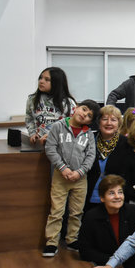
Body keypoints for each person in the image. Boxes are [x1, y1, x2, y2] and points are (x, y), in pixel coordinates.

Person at [42, 99, 100, 257]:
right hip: (60, 176)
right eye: (84, 109)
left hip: (80, 179)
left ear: (90, 121)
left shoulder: (89, 134)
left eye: (89, 115)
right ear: (76, 108)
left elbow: (90, 156)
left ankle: (72, 239)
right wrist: (63, 168)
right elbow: (50, 148)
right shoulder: (58, 126)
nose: (84, 115)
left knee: (76, 212)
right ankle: (52, 242)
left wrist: (80, 171)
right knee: (57, 211)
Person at [77, 174, 135, 268]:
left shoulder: (134, 212)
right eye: (111, 193)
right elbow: (85, 250)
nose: (117, 197)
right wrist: (113, 263)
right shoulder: (91, 216)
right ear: (102, 198)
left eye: (120, 192)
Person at [85, 105, 124, 211]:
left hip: (116, 199)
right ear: (99, 122)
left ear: (119, 124)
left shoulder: (126, 144)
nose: (109, 123)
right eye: (105, 119)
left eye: (113, 120)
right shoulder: (88, 139)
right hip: (88, 197)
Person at [25, 67, 75, 146]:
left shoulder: (68, 103)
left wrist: (56, 137)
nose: (41, 81)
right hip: (39, 144)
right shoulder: (32, 99)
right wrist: (32, 133)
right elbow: (29, 119)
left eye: (47, 79)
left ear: (57, 83)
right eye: (40, 78)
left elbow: (74, 125)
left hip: (61, 145)